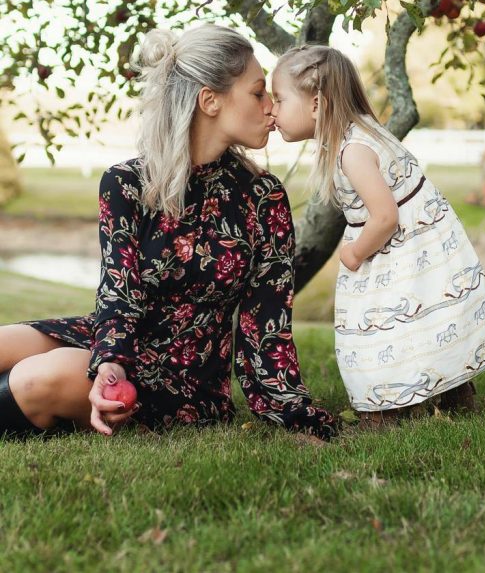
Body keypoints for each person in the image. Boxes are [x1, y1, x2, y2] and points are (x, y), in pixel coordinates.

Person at [0, 25, 335, 441]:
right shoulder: (125, 183)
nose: (271, 107)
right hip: (117, 342)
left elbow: (267, 325)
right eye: (258, 92)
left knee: (35, 378)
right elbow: (119, 291)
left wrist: (294, 413)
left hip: (183, 379)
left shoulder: (263, 197)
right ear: (209, 100)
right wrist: (110, 361)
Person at [269, 44, 485, 425]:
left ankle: (385, 408)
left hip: (400, 248)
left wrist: (354, 254)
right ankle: (450, 391)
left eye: (279, 98)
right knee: (423, 318)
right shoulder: (357, 134)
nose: (271, 109)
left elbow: (384, 217)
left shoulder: (353, 151)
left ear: (316, 104)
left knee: (379, 326)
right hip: (420, 245)